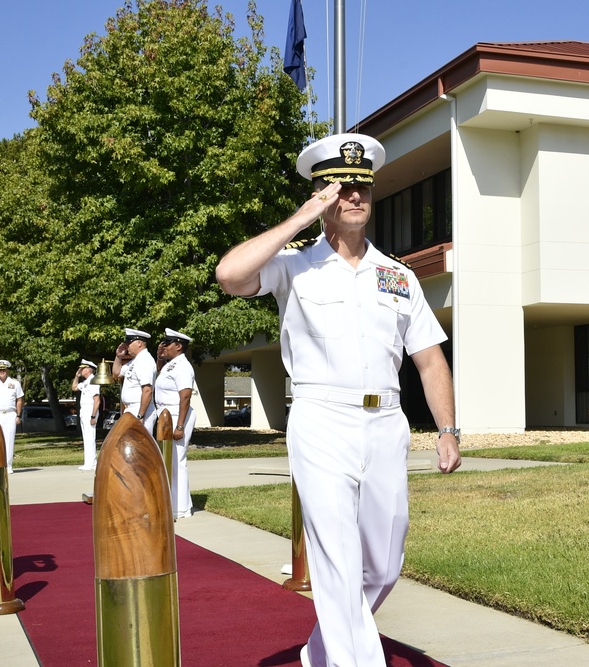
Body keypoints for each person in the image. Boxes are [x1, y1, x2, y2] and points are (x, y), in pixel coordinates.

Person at [216, 133, 462, 667]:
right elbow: (229, 275)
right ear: (323, 194)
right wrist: (300, 219)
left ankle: (322, 653)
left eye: (363, 189)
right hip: (320, 420)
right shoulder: (293, 265)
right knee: (338, 562)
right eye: (341, 189)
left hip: (386, 422)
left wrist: (447, 429)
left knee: (383, 564)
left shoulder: (397, 276)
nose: (354, 198)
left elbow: (429, 358)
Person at [145, 328, 197, 519]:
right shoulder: (171, 364)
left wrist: (180, 425)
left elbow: (185, 396)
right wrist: (159, 357)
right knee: (169, 460)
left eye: (167, 344)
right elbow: (160, 377)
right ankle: (174, 502)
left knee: (177, 461)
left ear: (178, 346)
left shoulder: (183, 366)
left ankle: (181, 508)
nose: (163, 347)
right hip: (167, 414)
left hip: (177, 414)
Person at [112, 328, 155, 426]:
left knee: (139, 441)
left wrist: (140, 415)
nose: (126, 347)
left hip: (140, 408)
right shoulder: (135, 361)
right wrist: (119, 357)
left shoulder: (145, 361)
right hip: (131, 409)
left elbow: (147, 390)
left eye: (129, 343)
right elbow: (116, 373)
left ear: (139, 343)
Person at [72, 359, 101, 471]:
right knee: (86, 437)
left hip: (90, 409)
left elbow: (97, 400)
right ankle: (88, 462)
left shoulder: (93, 380)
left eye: (83, 368)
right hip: (84, 410)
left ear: (88, 369)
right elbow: (74, 387)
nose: (81, 370)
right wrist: (76, 376)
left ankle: (92, 463)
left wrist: (93, 416)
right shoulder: (85, 382)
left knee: (90, 437)